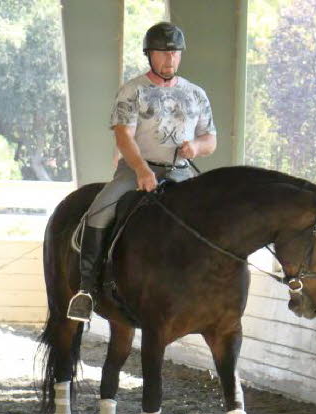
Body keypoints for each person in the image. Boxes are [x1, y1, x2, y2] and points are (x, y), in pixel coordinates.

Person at [67, 21, 217, 322]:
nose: (169, 59)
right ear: (149, 55)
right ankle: (87, 291)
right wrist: (141, 170)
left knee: (214, 219)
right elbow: (123, 136)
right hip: (135, 170)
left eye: (174, 53)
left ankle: (208, 290)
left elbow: (210, 139)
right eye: (162, 53)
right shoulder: (133, 91)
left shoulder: (196, 94)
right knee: (98, 212)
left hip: (181, 172)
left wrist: (196, 148)